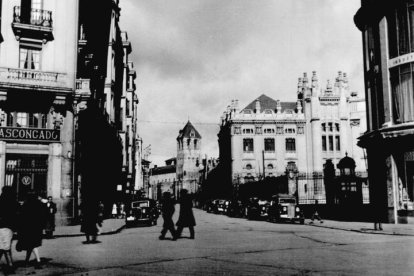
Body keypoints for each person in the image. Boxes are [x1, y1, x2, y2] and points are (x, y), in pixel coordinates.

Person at [16, 191, 48, 269]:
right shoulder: (40, 204)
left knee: (31, 245)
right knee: (31, 245)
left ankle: (38, 261)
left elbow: (21, 217)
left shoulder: (26, 205)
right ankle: (27, 261)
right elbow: (44, 216)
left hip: (27, 228)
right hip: (37, 228)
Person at [0, 186, 19, 273]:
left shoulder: (1, 200)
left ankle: (10, 265)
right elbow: (17, 216)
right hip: (8, 227)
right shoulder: (13, 202)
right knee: (6, 247)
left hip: (1, 226)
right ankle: (10, 266)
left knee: (2, 247)